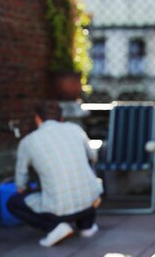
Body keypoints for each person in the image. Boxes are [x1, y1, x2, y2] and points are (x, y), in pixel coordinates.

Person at [7, 101, 103, 247]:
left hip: (59, 210)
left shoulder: (28, 142)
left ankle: (53, 227)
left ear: (37, 119)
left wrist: (24, 189)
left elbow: (20, 182)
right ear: (61, 118)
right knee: (83, 181)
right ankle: (86, 226)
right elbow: (93, 157)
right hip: (91, 200)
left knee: (14, 202)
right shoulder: (75, 129)